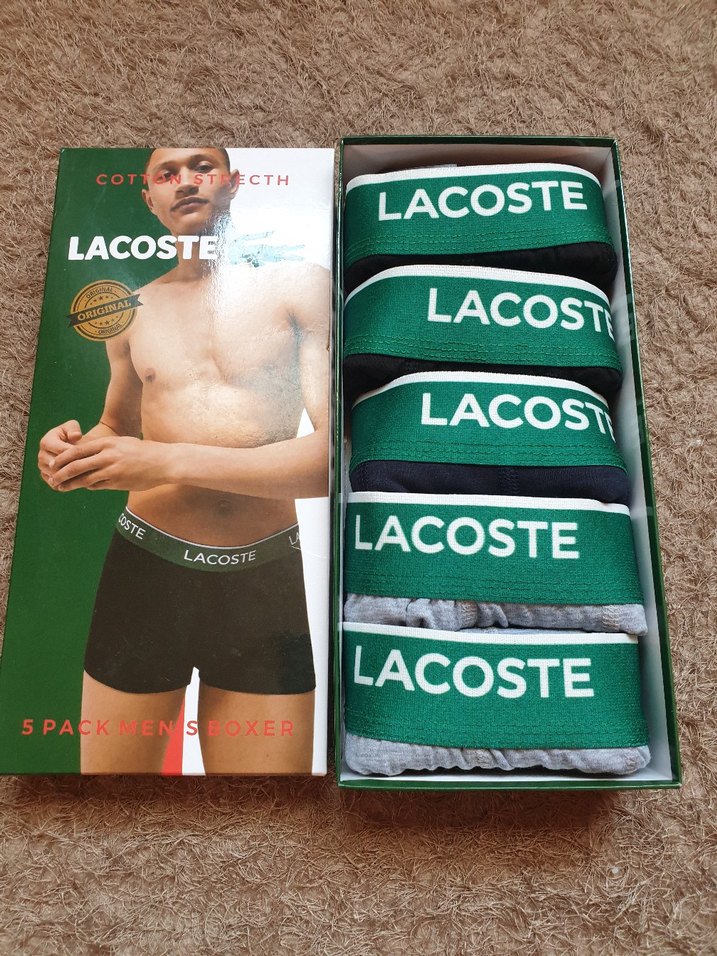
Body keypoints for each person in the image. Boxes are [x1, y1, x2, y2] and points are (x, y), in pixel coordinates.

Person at [37, 148, 330, 774]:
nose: (185, 182)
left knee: (267, 813)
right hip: (145, 567)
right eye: (167, 175)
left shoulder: (300, 285)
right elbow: (118, 426)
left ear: (234, 183)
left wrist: (166, 461)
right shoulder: (132, 310)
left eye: (201, 167)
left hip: (262, 575)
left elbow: (332, 461)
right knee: (108, 807)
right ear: (149, 199)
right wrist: (72, 452)